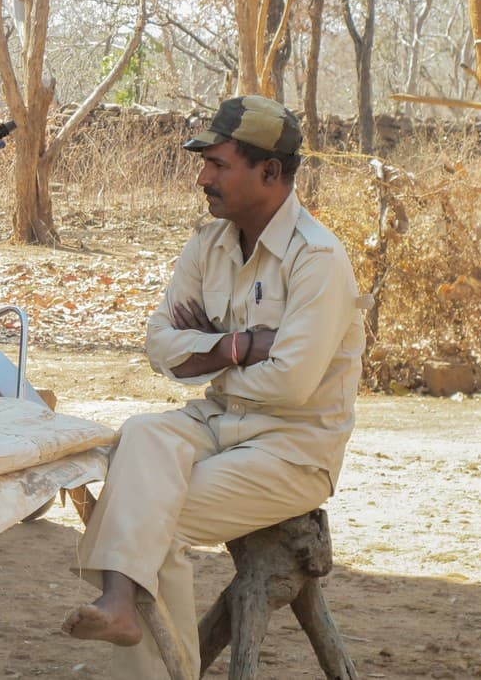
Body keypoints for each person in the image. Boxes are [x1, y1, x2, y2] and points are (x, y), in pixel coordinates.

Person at [60, 96, 366, 677]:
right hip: (218, 421)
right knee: (140, 434)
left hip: (292, 449)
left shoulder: (318, 259)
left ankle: (145, 648)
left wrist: (204, 350)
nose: (203, 178)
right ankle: (122, 607)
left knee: (154, 523)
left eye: (219, 165)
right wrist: (238, 345)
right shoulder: (208, 245)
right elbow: (158, 345)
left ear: (269, 172)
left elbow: (292, 383)